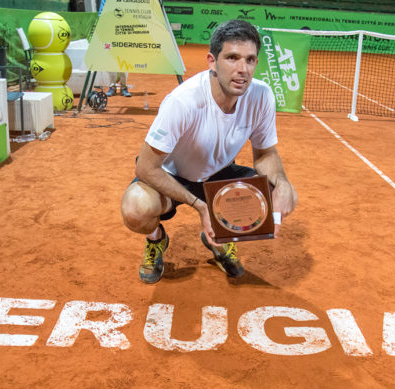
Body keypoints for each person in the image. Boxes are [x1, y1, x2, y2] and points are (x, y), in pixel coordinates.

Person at [120, 20, 298, 284]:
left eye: (250, 60)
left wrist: (282, 182)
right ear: (212, 62)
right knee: (136, 208)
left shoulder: (262, 96)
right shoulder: (183, 102)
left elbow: (265, 154)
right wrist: (201, 207)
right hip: (173, 177)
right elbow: (146, 168)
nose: (242, 70)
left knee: (280, 194)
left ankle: (218, 238)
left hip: (219, 174)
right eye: (232, 58)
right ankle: (157, 239)